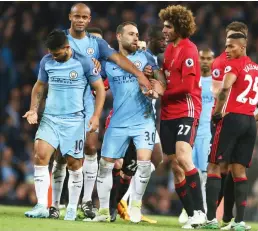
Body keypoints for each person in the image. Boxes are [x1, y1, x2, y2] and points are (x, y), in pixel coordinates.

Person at [49, 3, 151, 220]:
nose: (80, 20)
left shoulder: (97, 44)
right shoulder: (61, 39)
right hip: (62, 104)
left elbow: (118, 60)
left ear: (89, 18)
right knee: (60, 154)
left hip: (86, 104)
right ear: (70, 16)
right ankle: (54, 204)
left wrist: (141, 75)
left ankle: (86, 202)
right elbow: (49, 62)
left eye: (85, 17)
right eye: (77, 16)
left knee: (90, 148)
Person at [23, 29, 106, 221]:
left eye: (57, 53)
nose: (54, 56)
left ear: (67, 48)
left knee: (74, 164)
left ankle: (71, 207)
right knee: (40, 156)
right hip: (50, 118)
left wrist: (95, 115)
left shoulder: (84, 62)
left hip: (74, 121)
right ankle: (42, 205)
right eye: (51, 53)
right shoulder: (47, 62)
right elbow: (39, 86)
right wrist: (34, 109)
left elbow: (99, 89)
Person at [89, 21, 165, 223]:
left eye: (137, 34)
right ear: (119, 36)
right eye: (131, 34)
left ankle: (135, 207)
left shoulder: (147, 57)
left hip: (144, 120)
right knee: (105, 166)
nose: (135, 37)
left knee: (144, 163)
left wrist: (156, 88)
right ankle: (104, 211)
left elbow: (160, 80)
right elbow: (97, 84)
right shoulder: (108, 61)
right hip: (118, 121)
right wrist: (94, 68)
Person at [209, 33, 258, 231]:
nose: (227, 50)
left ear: (242, 48)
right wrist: (256, 117)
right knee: (239, 171)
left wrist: (217, 112)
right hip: (249, 122)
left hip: (231, 118)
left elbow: (225, 89)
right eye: (226, 46)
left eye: (231, 46)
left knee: (214, 165)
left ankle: (210, 219)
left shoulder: (235, 64)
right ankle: (239, 222)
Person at [158, 5, 206, 229]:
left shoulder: (189, 49)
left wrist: (162, 91)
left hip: (186, 110)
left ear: (179, 27)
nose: (164, 30)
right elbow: (167, 79)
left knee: (184, 157)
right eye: (164, 26)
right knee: (175, 166)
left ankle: (200, 212)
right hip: (167, 112)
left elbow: (187, 86)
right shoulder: (169, 49)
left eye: (168, 26)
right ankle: (190, 214)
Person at [115, 25, 166, 224]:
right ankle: (117, 202)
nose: (165, 43)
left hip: (147, 116)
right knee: (128, 165)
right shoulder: (142, 55)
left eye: (166, 40)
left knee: (153, 159)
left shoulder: (152, 59)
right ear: (150, 39)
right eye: (161, 40)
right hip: (135, 116)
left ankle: (125, 201)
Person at [204, 21, 250, 230]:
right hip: (222, 117)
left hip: (233, 119)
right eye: (228, 41)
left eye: (235, 41)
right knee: (222, 167)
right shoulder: (221, 62)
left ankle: (226, 217)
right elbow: (216, 88)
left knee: (233, 169)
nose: (229, 47)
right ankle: (215, 214)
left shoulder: (247, 64)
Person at [191, 48, 215, 213]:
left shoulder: (218, 82)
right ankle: (190, 208)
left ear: (213, 60)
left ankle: (205, 209)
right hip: (191, 131)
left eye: (208, 58)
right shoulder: (192, 80)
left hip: (208, 133)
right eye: (202, 58)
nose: (205, 61)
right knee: (190, 171)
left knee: (205, 174)